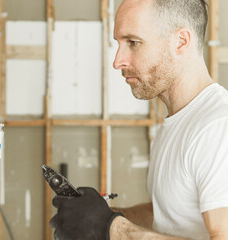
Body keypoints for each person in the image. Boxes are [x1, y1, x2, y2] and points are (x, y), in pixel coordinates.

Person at [50, 0, 228, 239]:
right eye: (119, 43)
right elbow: (171, 214)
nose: (118, 61)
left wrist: (111, 227)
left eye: (133, 42)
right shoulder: (178, 123)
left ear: (181, 42)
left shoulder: (218, 126)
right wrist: (104, 215)